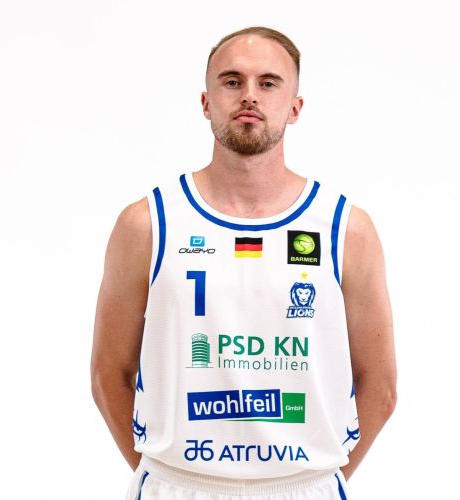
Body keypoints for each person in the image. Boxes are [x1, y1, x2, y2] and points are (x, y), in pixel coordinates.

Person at [91, 26, 397, 500]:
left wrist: (316, 477)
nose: (249, 95)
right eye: (232, 81)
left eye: (268, 83)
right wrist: (169, 472)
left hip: (305, 487)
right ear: (206, 102)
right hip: (178, 485)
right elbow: (109, 373)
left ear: (294, 107)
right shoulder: (147, 223)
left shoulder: (345, 228)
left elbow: (381, 385)